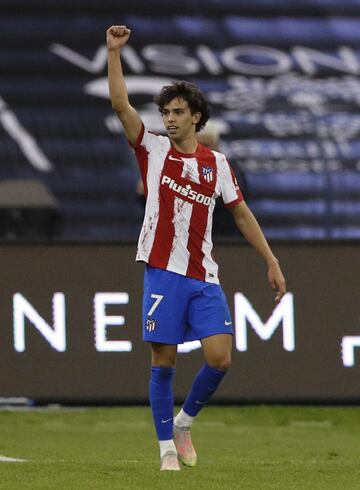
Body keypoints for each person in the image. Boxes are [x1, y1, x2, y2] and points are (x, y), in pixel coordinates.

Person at [107, 25, 286, 471]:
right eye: (166, 111)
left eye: (177, 112)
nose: (168, 118)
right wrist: (113, 54)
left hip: (202, 273)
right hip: (162, 269)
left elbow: (241, 214)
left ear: (196, 117)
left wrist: (271, 260)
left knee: (220, 357)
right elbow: (120, 105)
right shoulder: (151, 150)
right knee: (163, 358)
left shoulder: (217, 164)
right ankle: (167, 447)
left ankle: (185, 423)